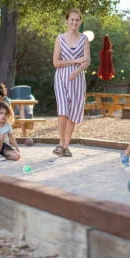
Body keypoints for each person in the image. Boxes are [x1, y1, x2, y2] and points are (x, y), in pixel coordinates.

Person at [52, 8, 90, 157]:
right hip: (61, 77)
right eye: (72, 19)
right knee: (63, 112)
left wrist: (77, 71)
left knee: (73, 112)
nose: (74, 22)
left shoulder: (84, 39)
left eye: (77, 20)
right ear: (67, 21)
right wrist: (74, 61)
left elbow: (86, 61)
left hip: (78, 78)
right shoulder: (60, 39)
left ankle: (66, 146)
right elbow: (56, 62)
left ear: (80, 22)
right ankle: (60, 143)